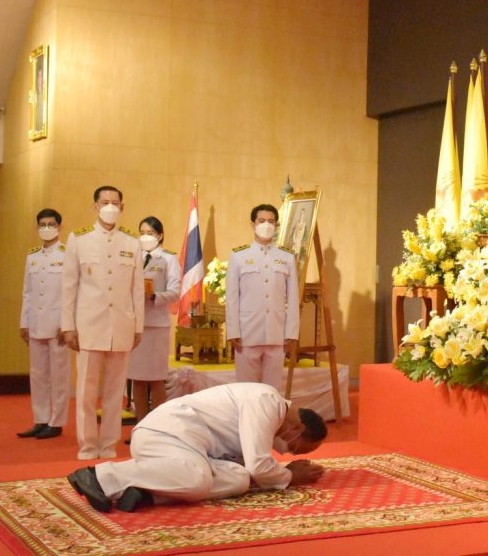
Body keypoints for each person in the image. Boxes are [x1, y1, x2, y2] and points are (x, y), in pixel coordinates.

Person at [66, 382, 326, 513]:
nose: (287, 452)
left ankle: (146, 491)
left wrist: (273, 475)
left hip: (190, 450)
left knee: (239, 480)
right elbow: (258, 463)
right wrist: (291, 476)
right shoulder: (267, 402)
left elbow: (249, 468)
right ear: (298, 430)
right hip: (167, 433)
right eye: (296, 449)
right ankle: (100, 476)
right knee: (198, 479)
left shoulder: (274, 414)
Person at [62, 185, 145, 460]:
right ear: (95, 206)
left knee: (114, 392)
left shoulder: (132, 243)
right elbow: (69, 286)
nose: (110, 206)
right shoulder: (79, 239)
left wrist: (138, 327)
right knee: (86, 390)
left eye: (115, 202)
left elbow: (136, 291)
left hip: (121, 326)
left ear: (123, 207)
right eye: (105, 202)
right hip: (89, 325)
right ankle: (87, 445)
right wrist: (68, 325)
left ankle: (108, 444)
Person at [225, 204, 299, 389]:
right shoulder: (239, 256)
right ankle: (248, 419)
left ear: (277, 225)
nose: (266, 225)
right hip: (247, 333)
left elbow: (293, 297)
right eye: (261, 221)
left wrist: (291, 332)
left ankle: (272, 419)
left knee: (273, 390)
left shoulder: (287, 257)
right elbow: (232, 297)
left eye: (271, 221)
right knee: (246, 390)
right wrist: (233, 330)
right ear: (253, 224)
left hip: (276, 333)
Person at [17, 208, 70, 440]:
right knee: (37, 375)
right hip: (37, 323)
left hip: (58, 325)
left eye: (51, 224)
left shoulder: (67, 254)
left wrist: (67, 324)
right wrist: (24, 322)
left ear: (59, 226)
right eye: (42, 224)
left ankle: (56, 422)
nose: (46, 228)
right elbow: (27, 293)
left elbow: (72, 293)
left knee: (59, 376)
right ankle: (40, 419)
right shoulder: (32, 256)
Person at [126, 216, 181, 428]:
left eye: (150, 233)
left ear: (160, 235)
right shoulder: (133, 257)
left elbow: (175, 292)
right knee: (138, 378)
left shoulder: (168, 258)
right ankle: (140, 425)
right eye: (142, 232)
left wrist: (154, 296)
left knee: (156, 378)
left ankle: (157, 428)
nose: (145, 237)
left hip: (157, 325)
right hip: (136, 325)